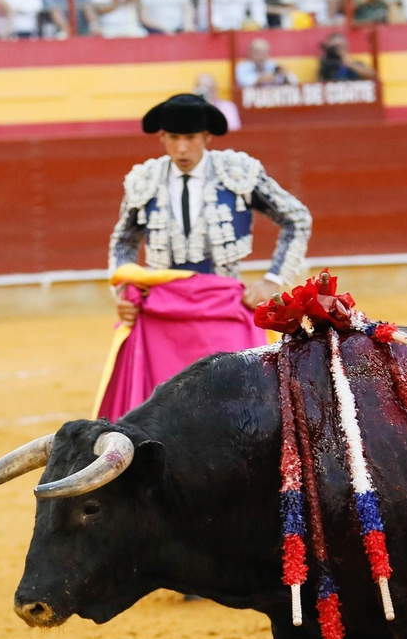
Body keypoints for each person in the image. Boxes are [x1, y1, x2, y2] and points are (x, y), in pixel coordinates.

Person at [98, 94, 312, 419]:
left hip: (224, 305)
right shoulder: (145, 180)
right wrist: (124, 290)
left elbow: (297, 218)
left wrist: (272, 280)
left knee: (236, 410)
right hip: (162, 311)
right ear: (162, 137)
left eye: (190, 138)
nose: (182, 149)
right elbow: (123, 243)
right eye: (173, 138)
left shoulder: (237, 174)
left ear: (206, 137)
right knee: (162, 416)